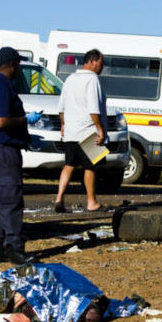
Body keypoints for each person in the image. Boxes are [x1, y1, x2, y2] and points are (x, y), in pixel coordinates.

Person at [0, 47, 40, 265]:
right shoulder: (1, 87)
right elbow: (2, 121)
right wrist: (27, 120)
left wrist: (24, 137)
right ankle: (14, 247)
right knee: (10, 197)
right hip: (2, 148)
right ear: (13, 64)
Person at [53, 49, 108, 213]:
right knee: (90, 167)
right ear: (92, 61)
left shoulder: (70, 79)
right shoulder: (92, 80)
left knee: (68, 165)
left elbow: (61, 107)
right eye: (101, 63)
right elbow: (93, 108)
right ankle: (92, 202)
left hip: (71, 130)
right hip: (88, 130)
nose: (102, 67)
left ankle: (59, 198)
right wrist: (100, 129)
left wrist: (63, 124)